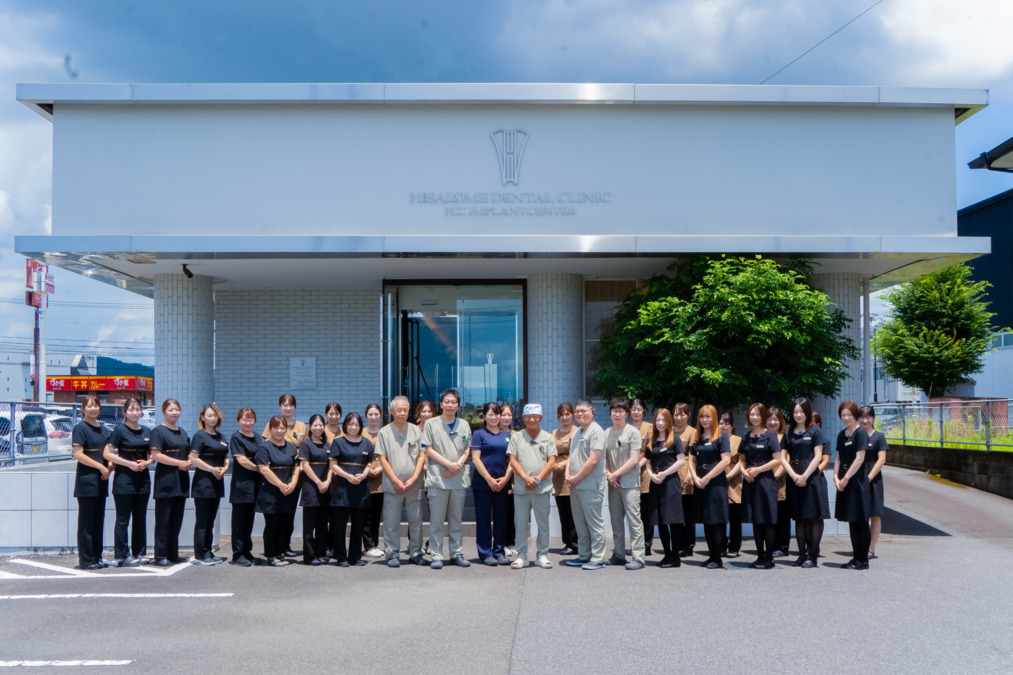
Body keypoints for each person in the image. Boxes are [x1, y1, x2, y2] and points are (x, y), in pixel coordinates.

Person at [422, 389, 473, 569]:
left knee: (456, 520)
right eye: (447, 402)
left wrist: (457, 464)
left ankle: (456, 553)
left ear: (458, 405)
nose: (450, 405)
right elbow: (428, 449)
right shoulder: (431, 424)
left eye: (453, 402)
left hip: (458, 478)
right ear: (441, 404)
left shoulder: (464, 425)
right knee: (436, 521)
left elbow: (467, 448)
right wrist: (448, 465)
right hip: (439, 478)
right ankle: (436, 555)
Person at [376, 396, 427, 568]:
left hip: (414, 484)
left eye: (405, 409)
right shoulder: (384, 432)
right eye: (399, 410)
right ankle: (392, 554)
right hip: (393, 484)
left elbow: (422, 456)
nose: (402, 413)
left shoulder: (416, 431)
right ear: (391, 411)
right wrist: (395, 480)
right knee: (391, 521)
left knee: (416, 520)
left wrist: (414, 478)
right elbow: (382, 459)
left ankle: (416, 552)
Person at [780, 397, 830, 568]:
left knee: (813, 518)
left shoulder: (815, 431)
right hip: (794, 480)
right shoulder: (788, 432)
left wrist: (805, 476)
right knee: (799, 518)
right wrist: (794, 475)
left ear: (807, 412)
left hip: (812, 480)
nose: (798, 414)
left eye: (802, 411)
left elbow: (818, 456)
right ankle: (801, 555)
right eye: (795, 412)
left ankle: (812, 557)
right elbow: (783, 458)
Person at [103, 396, 152, 567]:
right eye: (131, 409)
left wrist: (147, 463)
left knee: (140, 518)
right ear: (124, 412)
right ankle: (123, 555)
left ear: (141, 412)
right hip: (124, 481)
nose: (134, 412)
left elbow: (153, 455)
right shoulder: (119, 430)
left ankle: (140, 552)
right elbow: (107, 454)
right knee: (123, 519)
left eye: (137, 409)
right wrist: (129, 464)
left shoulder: (147, 432)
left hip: (143, 480)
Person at [507, 403, 557, 569]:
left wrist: (537, 479)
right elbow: (513, 460)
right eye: (529, 417)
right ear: (523, 418)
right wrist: (526, 478)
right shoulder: (516, 437)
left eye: (535, 417)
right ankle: (521, 555)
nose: (532, 420)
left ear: (541, 418)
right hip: (522, 488)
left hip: (541, 487)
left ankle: (542, 554)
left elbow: (552, 461)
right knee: (520, 523)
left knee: (543, 524)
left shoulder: (548, 437)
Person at [563, 397, 607, 570]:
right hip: (575, 485)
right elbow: (571, 456)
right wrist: (568, 474)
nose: (580, 414)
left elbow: (593, 460)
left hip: (590, 485)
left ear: (592, 412)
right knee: (580, 523)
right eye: (577, 411)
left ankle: (598, 558)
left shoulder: (596, 431)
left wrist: (576, 478)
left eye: (584, 411)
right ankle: (584, 555)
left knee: (594, 523)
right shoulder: (576, 432)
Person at [604, 397, 647, 570]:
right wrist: (609, 474)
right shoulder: (606, 433)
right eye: (614, 411)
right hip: (613, 484)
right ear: (610, 414)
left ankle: (639, 557)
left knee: (634, 520)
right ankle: (618, 554)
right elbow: (603, 458)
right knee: (616, 521)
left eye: (620, 411)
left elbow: (634, 459)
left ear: (626, 414)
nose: (617, 414)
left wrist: (615, 474)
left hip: (629, 484)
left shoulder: (633, 432)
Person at [262, 393, 304, 559]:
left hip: (294, 478)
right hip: (275, 479)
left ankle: (285, 546)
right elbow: (268, 447)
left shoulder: (301, 426)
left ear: (295, 407)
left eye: (291, 405)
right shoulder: (272, 424)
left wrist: (294, 479)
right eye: (285, 405)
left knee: (288, 515)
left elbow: (304, 449)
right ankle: (274, 550)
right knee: (274, 518)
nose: (288, 408)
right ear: (280, 406)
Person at [72, 394, 112, 570]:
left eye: (95, 405)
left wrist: (109, 467)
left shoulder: (104, 429)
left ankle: (97, 557)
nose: (93, 409)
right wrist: (101, 467)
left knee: (98, 520)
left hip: (102, 480)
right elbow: (78, 454)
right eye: (89, 406)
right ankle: (86, 560)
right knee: (86, 523)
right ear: (83, 409)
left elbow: (109, 453)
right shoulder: (80, 428)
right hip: (87, 480)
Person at [739, 402, 781, 569]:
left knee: (767, 520)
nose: (754, 417)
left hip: (765, 482)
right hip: (750, 482)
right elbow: (741, 459)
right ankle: (760, 557)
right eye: (752, 414)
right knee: (756, 521)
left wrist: (758, 470)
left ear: (763, 416)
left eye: (757, 414)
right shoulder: (746, 436)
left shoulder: (770, 435)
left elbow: (777, 459)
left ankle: (769, 558)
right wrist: (744, 471)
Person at [329, 412, 375, 567]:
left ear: (360, 426)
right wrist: (348, 476)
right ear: (345, 425)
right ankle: (340, 556)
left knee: (358, 525)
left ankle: (355, 556)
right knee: (340, 526)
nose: (353, 427)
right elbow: (333, 465)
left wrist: (363, 475)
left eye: (356, 424)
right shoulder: (338, 442)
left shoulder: (367, 442)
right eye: (350, 424)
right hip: (342, 488)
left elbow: (369, 463)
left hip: (360, 488)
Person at [150, 398, 191, 567]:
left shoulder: (182, 432)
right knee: (163, 520)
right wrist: (179, 463)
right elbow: (155, 455)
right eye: (171, 410)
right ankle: (161, 555)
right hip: (166, 480)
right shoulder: (158, 432)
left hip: (181, 480)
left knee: (176, 519)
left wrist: (189, 461)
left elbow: (188, 452)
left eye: (177, 409)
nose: (174, 413)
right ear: (163, 412)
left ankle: (173, 553)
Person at [471, 402, 513, 566]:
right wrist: (489, 479)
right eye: (490, 414)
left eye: (496, 414)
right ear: (484, 416)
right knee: (483, 519)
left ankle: (499, 551)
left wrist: (506, 478)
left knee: (501, 518)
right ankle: (485, 553)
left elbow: (512, 459)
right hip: (483, 483)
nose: (494, 417)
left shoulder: (507, 435)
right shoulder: (479, 434)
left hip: (502, 483)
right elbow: (476, 459)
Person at [689, 405, 730, 569]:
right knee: (706, 521)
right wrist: (695, 477)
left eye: (708, 417)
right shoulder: (697, 438)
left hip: (715, 485)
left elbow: (726, 460)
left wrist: (707, 477)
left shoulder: (721, 437)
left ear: (714, 418)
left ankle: (717, 558)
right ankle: (711, 555)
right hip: (700, 485)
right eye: (702, 417)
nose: (704, 420)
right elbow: (691, 460)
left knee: (716, 522)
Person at [256, 415, 301, 566]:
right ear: (270, 429)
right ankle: (271, 555)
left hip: (288, 491)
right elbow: (264, 469)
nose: (279, 431)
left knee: (284, 524)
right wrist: (281, 485)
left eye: (282, 427)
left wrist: (293, 482)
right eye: (276, 427)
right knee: (272, 525)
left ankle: (280, 553)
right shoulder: (264, 447)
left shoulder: (291, 447)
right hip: (271, 492)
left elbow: (296, 466)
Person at [189, 403, 229, 565]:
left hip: (217, 483)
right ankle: (201, 554)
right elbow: (193, 458)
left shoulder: (221, 436)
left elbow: (226, 458)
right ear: (202, 418)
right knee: (203, 520)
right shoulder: (199, 436)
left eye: (215, 415)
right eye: (209, 415)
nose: (212, 418)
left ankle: (208, 551)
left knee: (211, 520)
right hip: (203, 483)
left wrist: (224, 468)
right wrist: (212, 469)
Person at [644, 408, 685, 568]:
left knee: (673, 521)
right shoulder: (652, 441)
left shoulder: (675, 439)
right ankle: (667, 554)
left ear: (668, 422)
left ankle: (675, 557)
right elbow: (648, 462)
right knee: (660, 521)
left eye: (663, 420)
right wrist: (651, 475)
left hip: (670, 484)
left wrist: (664, 473)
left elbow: (681, 460)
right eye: (657, 420)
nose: (660, 423)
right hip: (656, 484)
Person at [835, 401, 872, 570]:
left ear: (855, 415)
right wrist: (836, 477)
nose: (846, 418)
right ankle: (856, 557)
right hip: (845, 481)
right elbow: (838, 458)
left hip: (857, 482)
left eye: (849, 414)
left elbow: (859, 459)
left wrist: (846, 478)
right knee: (852, 521)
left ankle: (863, 560)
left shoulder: (860, 433)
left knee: (861, 521)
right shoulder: (841, 435)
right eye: (843, 415)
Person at [228, 407, 262, 566]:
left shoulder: (257, 437)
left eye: (250, 419)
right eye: (244, 419)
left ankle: (247, 552)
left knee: (249, 521)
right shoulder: (236, 437)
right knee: (239, 522)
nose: (247, 423)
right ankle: (237, 554)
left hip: (255, 485)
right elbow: (241, 460)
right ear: (238, 421)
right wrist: (258, 468)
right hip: (241, 485)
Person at [299, 414, 332, 566]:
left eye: (321, 425)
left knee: (322, 525)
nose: (318, 428)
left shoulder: (327, 445)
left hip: (325, 488)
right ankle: (309, 556)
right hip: (311, 488)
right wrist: (319, 482)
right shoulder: (306, 444)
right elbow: (305, 465)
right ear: (310, 426)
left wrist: (328, 481)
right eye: (315, 425)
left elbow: (332, 465)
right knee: (309, 526)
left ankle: (321, 553)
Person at [859, 405, 888, 559]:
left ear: (873, 418)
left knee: (875, 514)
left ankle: (871, 548)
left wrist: (869, 477)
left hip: (874, 479)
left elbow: (881, 459)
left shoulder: (879, 436)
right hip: (857, 477)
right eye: (862, 417)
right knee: (859, 514)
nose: (865, 420)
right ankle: (860, 546)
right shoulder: (856, 435)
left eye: (868, 417)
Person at [551, 403, 579, 555]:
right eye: (561, 414)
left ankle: (575, 543)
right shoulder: (553, 433)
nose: (564, 417)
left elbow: (579, 453)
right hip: (558, 477)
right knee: (563, 511)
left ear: (572, 415)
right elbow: (549, 452)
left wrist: (564, 464)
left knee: (573, 511)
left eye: (567, 414)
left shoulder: (577, 431)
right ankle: (567, 541)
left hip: (572, 474)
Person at [672, 403, 698, 557]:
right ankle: (678, 543)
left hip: (687, 476)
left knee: (688, 514)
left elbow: (693, 456)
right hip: (673, 477)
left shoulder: (692, 432)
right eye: (676, 414)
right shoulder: (670, 431)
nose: (679, 418)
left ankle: (688, 545)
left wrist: (690, 475)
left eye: (682, 414)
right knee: (676, 514)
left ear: (688, 415)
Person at [361, 403, 385, 559]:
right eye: (370, 414)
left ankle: (374, 545)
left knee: (376, 515)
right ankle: (368, 545)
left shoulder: (385, 433)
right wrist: (367, 470)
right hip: (364, 476)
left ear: (380, 415)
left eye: (376, 414)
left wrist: (380, 468)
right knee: (365, 515)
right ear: (366, 416)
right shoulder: (361, 433)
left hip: (381, 477)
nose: (373, 417)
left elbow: (390, 454)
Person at [767, 407, 792, 557]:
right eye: (769, 419)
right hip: (765, 483)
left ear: (781, 421)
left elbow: (786, 459)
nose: (772, 422)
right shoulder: (763, 436)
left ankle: (783, 547)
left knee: (782, 516)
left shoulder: (785, 437)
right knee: (770, 516)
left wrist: (776, 475)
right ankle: (771, 546)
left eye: (775, 419)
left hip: (781, 482)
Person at [631, 399, 654, 556]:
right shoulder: (626, 428)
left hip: (645, 472)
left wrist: (638, 465)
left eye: (638, 409)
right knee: (634, 513)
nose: (636, 412)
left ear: (643, 411)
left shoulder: (650, 428)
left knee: (646, 512)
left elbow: (650, 452)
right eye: (633, 409)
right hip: (629, 473)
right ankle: (636, 544)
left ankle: (646, 545)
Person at [414, 400, 437, 556]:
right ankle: (415, 544)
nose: (427, 414)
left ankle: (431, 543)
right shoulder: (413, 430)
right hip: (417, 476)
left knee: (434, 512)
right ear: (418, 413)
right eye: (424, 411)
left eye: (429, 411)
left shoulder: (437, 430)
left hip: (433, 476)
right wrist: (422, 466)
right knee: (415, 513)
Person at [719, 412, 743, 559]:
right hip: (718, 480)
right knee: (720, 517)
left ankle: (734, 546)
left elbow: (741, 462)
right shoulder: (716, 439)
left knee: (735, 518)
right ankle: (721, 546)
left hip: (734, 482)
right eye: (721, 423)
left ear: (732, 425)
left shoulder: (739, 440)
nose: (723, 426)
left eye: (726, 423)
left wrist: (728, 476)